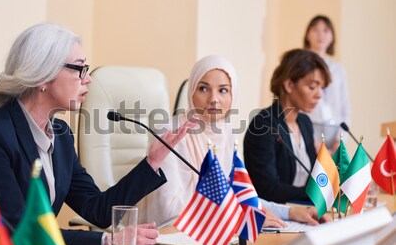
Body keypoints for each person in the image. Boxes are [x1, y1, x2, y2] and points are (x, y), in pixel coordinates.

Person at [0, 22, 193, 245]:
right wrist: (106, 241)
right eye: (80, 69)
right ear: (43, 74)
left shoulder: (60, 134)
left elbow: (96, 209)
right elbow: (16, 228)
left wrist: (152, 161)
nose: (88, 79)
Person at [137, 55, 330, 229]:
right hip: (167, 242)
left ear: (233, 95)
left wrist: (289, 212)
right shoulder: (170, 132)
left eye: (223, 90)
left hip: (211, 238)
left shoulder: (226, 133)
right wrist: (237, 219)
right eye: (203, 88)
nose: (214, 99)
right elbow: (168, 211)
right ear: (191, 91)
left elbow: (238, 196)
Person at [243, 49, 331, 204]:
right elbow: (268, 189)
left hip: (303, 210)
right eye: (312, 87)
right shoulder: (262, 124)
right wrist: (318, 192)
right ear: (289, 85)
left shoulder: (304, 122)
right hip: (276, 216)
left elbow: (313, 176)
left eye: (321, 88)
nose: (319, 95)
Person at [303, 15, 350, 152]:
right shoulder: (300, 66)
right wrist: (312, 141)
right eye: (316, 30)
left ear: (332, 36)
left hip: (334, 132)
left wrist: (340, 140)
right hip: (309, 128)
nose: (321, 35)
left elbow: (345, 108)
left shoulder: (338, 70)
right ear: (307, 34)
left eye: (325, 30)